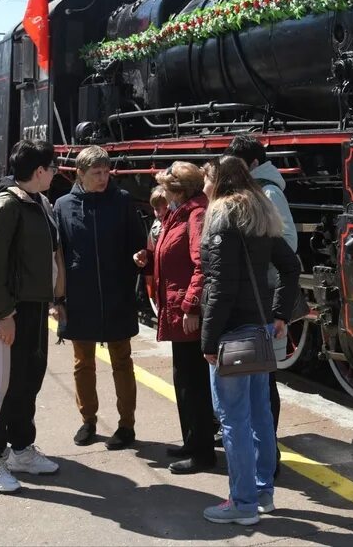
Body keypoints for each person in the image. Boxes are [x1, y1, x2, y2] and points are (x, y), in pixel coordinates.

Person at [199, 156, 300, 525]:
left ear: (220, 182)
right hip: (258, 329)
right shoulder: (261, 217)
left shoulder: (223, 221)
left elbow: (219, 287)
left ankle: (242, 504)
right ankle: (263, 493)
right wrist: (279, 314)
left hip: (232, 335)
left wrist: (208, 341)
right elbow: (291, 268)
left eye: (207, 178)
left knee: (233, 420)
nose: (203, 185)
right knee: (259, 416)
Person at [0, 139, 64, 493]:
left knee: (29, 378)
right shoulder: (5, 206)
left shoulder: (38, 203)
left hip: (35, 306)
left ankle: (21, 449)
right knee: (2, 384)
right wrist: (3, 314)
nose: (55, 172)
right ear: (39, 171)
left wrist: (58, 298)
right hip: (9, 309)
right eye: (52, 167)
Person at [53, 146, 146, 450]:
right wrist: (57, 299)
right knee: (83, 362)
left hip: (117, 292)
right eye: (97, 173)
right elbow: (58, 255)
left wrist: (140, 256)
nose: (104, 177)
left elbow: (137, 242)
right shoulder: (63, 206)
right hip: (80, 297)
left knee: (122, 360)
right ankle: (88, 420)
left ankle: (127, 425)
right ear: (80, 174)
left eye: (106, 172)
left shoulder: (121, 201)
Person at [224, 134, 298, 457]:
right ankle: (262, 450)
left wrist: (256, 268)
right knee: (256, 379)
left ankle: (270, 454)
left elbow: (288, 245)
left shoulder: (267, 193)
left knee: (264, 381)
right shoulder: (255, 191)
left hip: (263, 299)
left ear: (252, 164)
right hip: (254, 298)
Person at [141, 162, 214, 474]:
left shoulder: (196, 213)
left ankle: (202, 453)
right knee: (184, 379)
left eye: (169, 190)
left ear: (180, 191)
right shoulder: (180, 211)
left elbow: (202, 262)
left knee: (193, 382)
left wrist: (191, 305)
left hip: (186, 312)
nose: (165, 196)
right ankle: (192, 441)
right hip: (176, 308)